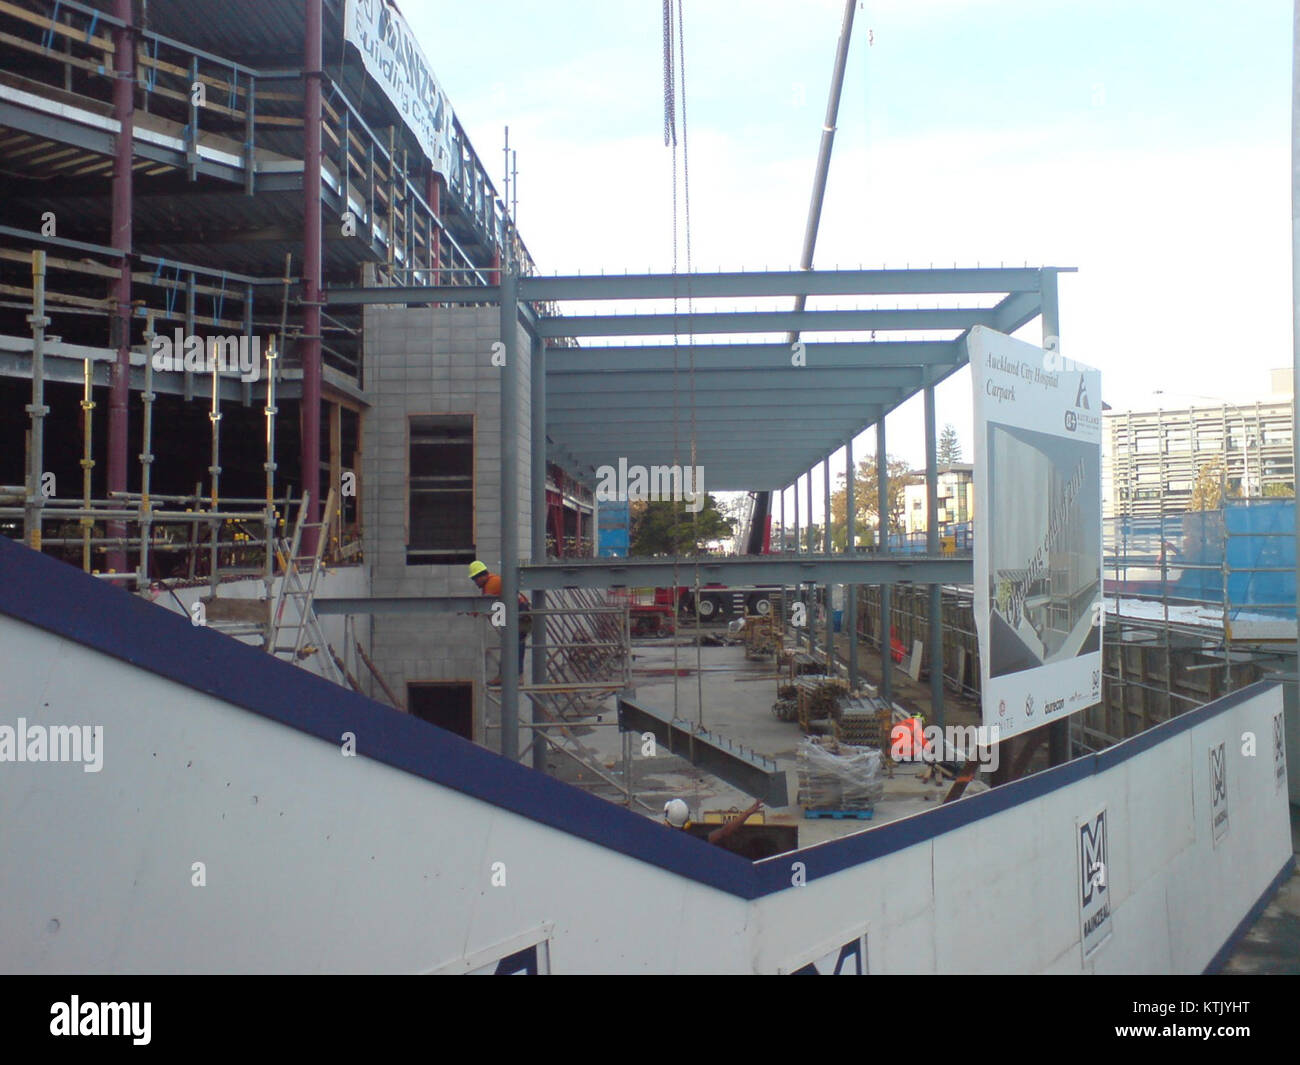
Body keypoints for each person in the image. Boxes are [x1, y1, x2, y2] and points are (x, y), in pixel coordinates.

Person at [468, 560, 531, 684]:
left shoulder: (492, 584)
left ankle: (514, 676)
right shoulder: (492, 581)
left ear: (482, 575)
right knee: (512, 644)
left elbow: (483, 605)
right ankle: (510, 675)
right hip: (520, 612)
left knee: (515, 644)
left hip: (521, 612)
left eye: (475, 579)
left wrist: (470, 611)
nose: (475, 583)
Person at [664, 798, 764, 846]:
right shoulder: (694, 843)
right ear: (686, 823)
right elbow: (724, 831)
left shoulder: (659, 840)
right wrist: (747, 813)